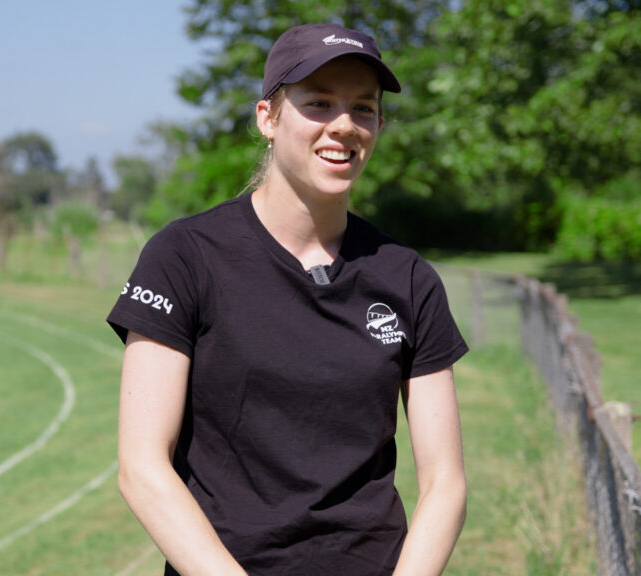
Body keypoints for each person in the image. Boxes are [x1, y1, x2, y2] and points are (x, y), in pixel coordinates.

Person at [108, 23, 468, 576]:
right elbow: (142, 466)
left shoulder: (408, 277)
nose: (344, 126)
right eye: (319, 103)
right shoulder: (184, 257)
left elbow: (444, 482)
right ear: (267, 118)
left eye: (364, 109)